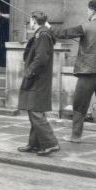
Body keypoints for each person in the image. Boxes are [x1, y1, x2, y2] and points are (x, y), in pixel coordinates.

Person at [48, 0, 96, 147]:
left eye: (88, 10)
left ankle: (76, 136)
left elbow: (64, 33)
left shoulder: (85, 27)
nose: (87, 13)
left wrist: (48, 26)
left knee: (80, 105)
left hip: (88, 72)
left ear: (92, 11)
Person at [17, 11, 60, 156]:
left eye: (31, 21)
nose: (30, 23)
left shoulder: (43, 35)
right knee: (33, 110)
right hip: (38, 78)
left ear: (34, 21)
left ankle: (51, 143)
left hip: (37, 79)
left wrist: (29, 72)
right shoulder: (41, 34)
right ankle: (34, 143)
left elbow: (41, 58)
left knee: (35, 111)